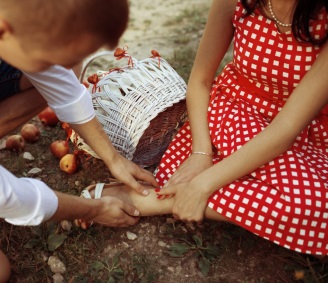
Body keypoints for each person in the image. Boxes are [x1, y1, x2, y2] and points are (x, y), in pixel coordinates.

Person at [0, 0, 159, 281]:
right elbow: (6, 197)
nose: (64, 69)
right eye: (52, 60)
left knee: (60, 72)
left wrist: (114, 158)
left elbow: (64, 85)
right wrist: (96, 208)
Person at [77, 0, 328, 257]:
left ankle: (156, 200)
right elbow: (200, 80)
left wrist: (203, 185)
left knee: (321, 207)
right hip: (237, 113)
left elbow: (286, 128)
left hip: (300, 130)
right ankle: (187, 186)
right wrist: (201, 154)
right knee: (304, 201)